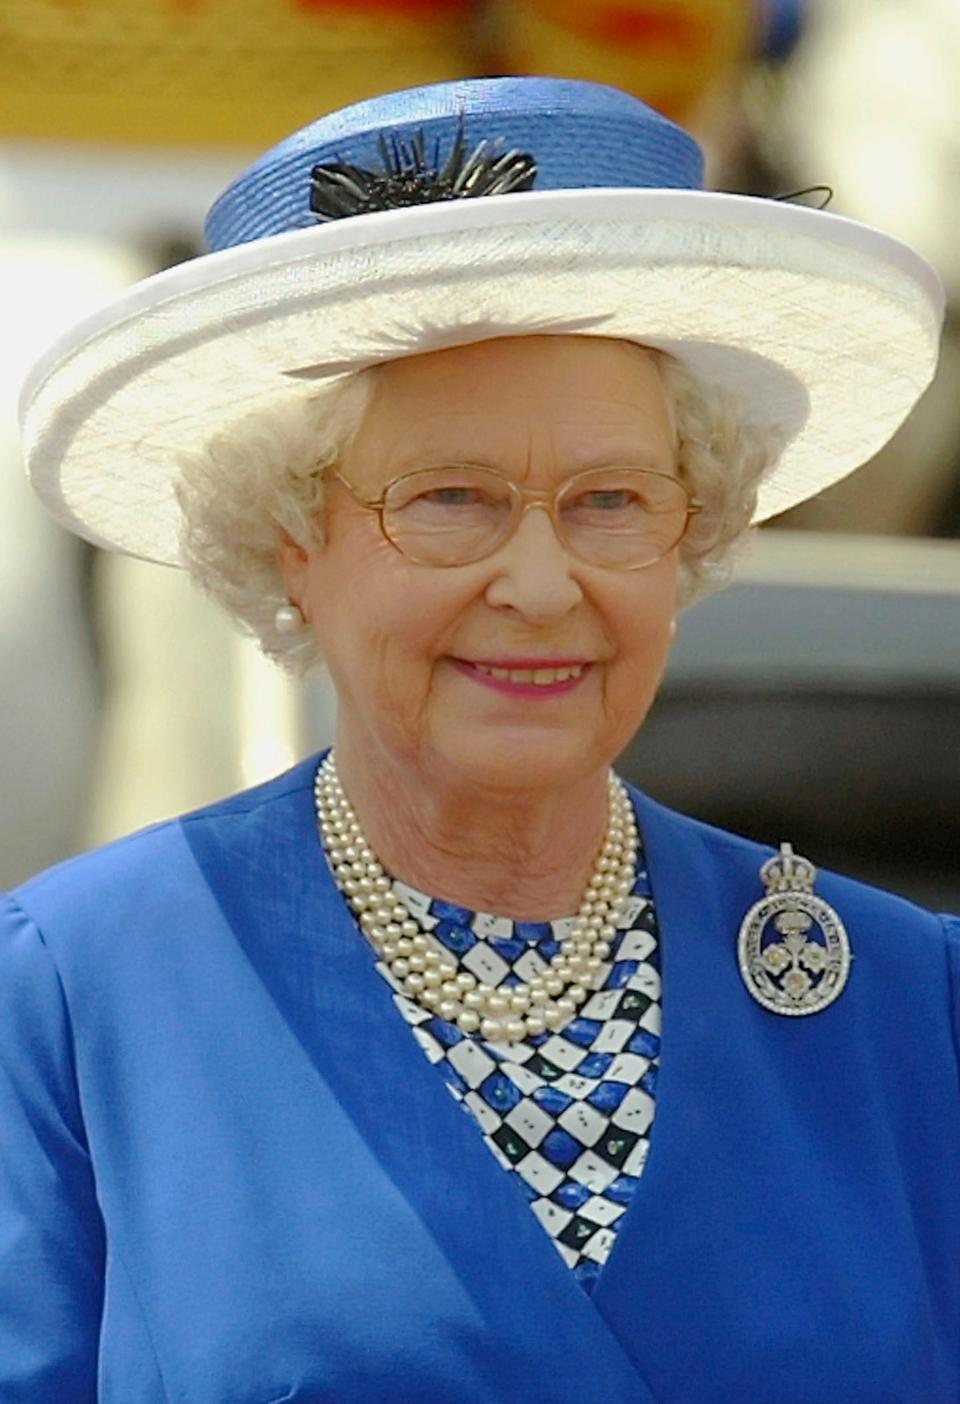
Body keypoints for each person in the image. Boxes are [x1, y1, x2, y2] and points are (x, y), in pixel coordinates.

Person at [3, 77, 958, 1404]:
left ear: (689, 533)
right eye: (451, 499)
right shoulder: (73, 992)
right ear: (292, 538)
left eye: (610, 500)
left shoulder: (911, 1002)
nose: (542, 582)